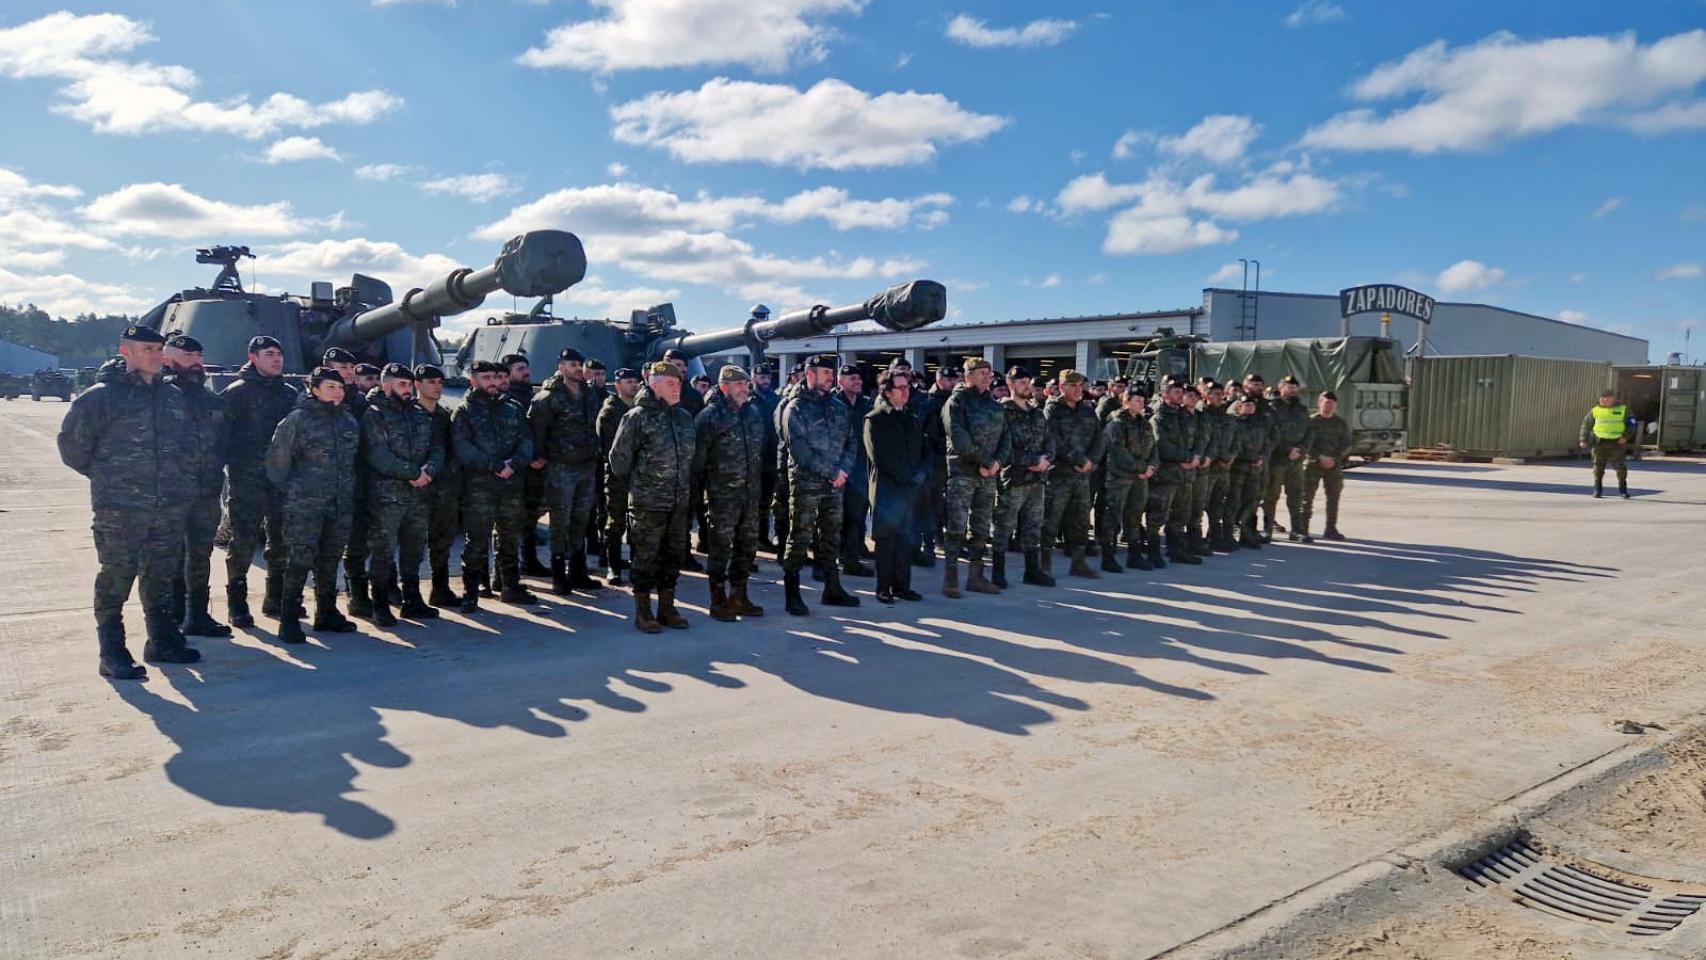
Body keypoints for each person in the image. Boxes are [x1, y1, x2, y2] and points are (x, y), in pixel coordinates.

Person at [58, 324, 198, 678]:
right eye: (147, 349)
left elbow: (184, 448)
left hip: (167, 504)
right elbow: (73, 449)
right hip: (120, 508)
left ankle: (162, 640)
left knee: (160, 575)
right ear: (126, 352)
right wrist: (111, 478)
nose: (155, 355)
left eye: (158, 349)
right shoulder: (101, 397)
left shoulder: (172, 396)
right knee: (116, 577)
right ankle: (112, 650)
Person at [265, 367, 362, 644]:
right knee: (298, 560)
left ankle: (327, 612)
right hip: (305, 504)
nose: (338, 392)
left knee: (330, 558)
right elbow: (276, 463)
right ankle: (289, 618)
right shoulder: (297, 420)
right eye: (331, 386)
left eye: (341, 387)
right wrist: (296, 492)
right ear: (314, 389)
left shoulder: (348, 422)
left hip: (339, 503)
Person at [608, 362, 697, 633]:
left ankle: (667, 608)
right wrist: (644, 482)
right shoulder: (636, 416)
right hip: (648, 504)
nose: (677, 388)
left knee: (673, 556)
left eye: (679, 383)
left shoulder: (683, 417)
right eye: (671, 383)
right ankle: (643, 612)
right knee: (645, 558)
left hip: (678, 502)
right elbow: (618, 461)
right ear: (654, 384)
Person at [221, 335, 298, 626]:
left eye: (279, 353)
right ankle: (237, 603)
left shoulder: (289, 394)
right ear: (252, 357)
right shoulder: (237, 393)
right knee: (243, 540)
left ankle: (274, 598)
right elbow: (222, 435)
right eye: (269, 353)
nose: (277, 358)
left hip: (281, 480)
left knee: (280, 541)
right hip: (247, 479)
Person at [780, 354, 861, 615]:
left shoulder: (838, 406)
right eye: (824, 373)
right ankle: (792, 594)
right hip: (806, 483)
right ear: (810, 375)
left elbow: (851, 442)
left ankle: (832, 589)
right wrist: (831, 472)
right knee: (800, 537)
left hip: (835, 484)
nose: (829, 377)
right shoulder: (796, 407)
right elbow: (800, 451)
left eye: (830, 373)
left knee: (831, 537)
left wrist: (843, 472)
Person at [362, 363, 443, 626]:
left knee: (413, 549)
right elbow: (378, 455)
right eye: (402, 385)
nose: (408, 390)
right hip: (387, 496)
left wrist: (429, 471)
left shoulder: (420, 415)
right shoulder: (374, 415)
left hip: (418, 495)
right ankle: (381, 604)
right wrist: (412, 473)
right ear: (386, 387)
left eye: (410, 385)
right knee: (383, 551)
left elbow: (437, 448)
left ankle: (412, 599)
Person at [162, 333, 232, 638]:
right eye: (188, 356)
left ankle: (198, 615)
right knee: (168, 556)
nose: (196, 363)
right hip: (169, 493)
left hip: (206, 491)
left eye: (199, 357)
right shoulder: (158, 396)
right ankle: (171, 616)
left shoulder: (211, 399)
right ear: (168, 359)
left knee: (200, 554)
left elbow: (226, 441)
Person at [453, 359, 536, 613]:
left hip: (511, 483)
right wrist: (495, 465)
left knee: (509, 535)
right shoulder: (464, 412)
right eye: (485, 378)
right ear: (473, 381)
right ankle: (471, 591)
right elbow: (463, 448)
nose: (492, 383)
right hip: (480, 485)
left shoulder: (512, 408)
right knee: (477, 539)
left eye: (494, 377)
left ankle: (509, 585)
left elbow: (526, 440)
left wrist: (515, 463)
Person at [694, 365, 767, 621]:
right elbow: (698, 462)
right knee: (720, 548)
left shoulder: (753, 414)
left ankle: (739, 595)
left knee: (746, 547)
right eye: (738, 384)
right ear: (724, 387)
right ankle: (717, 600)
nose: (744, 389)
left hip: (750, 493)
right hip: (721, 496)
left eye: (746, 384)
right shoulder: (710, 416)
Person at [529, 347, 604, 596]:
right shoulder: (548, 398)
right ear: (561, 368)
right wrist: (539, 457)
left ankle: (579, 571)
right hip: (560, 467)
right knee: (559, 522)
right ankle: (559, 574)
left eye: (579, 365)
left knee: (581, 520)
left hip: (586, 465)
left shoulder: (590, 394)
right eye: (571, 365)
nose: (577, 369)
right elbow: (537, 430)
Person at [941, 357, 1010, 597]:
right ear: (967, 375)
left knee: (981, 527)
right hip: (963, 473)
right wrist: (986, 462)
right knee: (956, 527)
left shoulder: (995, 405)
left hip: (988, 476)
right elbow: (960, 440)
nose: (985, 377)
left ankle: (976, 577)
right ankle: (951, 579)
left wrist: (997, 464)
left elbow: (1006, 439)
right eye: (980, 373)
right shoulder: (956, 402)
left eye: (988, 373)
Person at [864, 368, 929, 603]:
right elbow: (879, 457)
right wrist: (907, 477)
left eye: (907, 387)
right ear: (888, 392)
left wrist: (920, 474)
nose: (906, 392)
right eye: (900, 388)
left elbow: (925, 451)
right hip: (887, 489)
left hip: (910, 489)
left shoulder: (911, 419)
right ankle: (884, 587)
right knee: (886, 540)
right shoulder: (875, 420)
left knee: (906, 539)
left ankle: (902, 586)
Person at [322, 348, 376, 615]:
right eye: (341, 368)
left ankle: (357, 595)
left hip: (358, 481)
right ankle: (324, 604)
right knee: (325, 547)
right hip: (323, 487)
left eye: (349, 368)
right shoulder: (313, 404)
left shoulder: (360, 402)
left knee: (359, 540)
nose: (348, 373)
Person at [993, 367, 1055, 587]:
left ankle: (1032, 570)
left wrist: (1047, 458)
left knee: (1033, 525)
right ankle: (998, 572)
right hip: (1014, 478)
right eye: (1021, 382)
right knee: (1003, 526)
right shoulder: (1002, 412)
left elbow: (1049, 439)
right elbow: (1002, 446)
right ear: (1010, 384)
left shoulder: (1036, 412)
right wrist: (1032, 461)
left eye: (1028, 382)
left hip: (1037, 479)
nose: (1026, 386)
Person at [1042, 370, 1103, 580]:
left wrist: (1091, 462)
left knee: (1080, 521)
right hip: (1059, 475)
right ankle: (1044, 565)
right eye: (1073, 386)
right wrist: (1078, 460)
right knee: (1051, 521)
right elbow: (1053, 440)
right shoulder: (1052, 410)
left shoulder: (1087, 411)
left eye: (1080, 386)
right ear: (1062, 387)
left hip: (1082, 476)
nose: (1078, 390)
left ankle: (1078, 562)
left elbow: (1099, 438)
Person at [414, 364, 462, 608]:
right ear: (417, 385)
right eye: (431, 382)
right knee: (412, 544)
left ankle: (440, 588)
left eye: (439, 382)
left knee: (442, 540)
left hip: (444, 487)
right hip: (416, 487)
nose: (437, 386)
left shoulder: (444, 415)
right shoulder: (410, 414)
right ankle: (408, 594)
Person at [501, 353, 550, 578]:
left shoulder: (532, 397)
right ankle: (505, 572)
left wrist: (542, 456)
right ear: (509, 373)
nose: (526, 372)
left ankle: (529, 560)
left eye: (526, 368)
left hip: (535, 468)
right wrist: (528, 458)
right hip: (515, 468)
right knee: (509, 521)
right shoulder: (506, 400)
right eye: (520, 369)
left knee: (530, 516)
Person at [1098, 389, 1158, 571]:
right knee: (1113, 515)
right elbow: (1118, 452)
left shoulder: (1145, 424)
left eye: (1143, 401)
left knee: (1134, 516)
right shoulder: (1116, 423)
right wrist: (1141, 468)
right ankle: (1107, 556)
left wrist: (1151, 467)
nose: (1141, 404)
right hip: (1120, 477)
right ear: (1127, 402)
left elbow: (1154, 448)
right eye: (1137, 400)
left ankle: (1134, 554)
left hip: (1140, 478)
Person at [597, 367, 642, 586]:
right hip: (618, 474)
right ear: (618, 386)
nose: (633, 385)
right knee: (615, 521)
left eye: (635, 381)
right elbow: (608, 447)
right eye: (628, 382)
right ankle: (613, 566)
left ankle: (635, 562)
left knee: (637, 521)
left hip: (640, 475)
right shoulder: (610, 411)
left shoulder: (641, 408)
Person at [1152, 377, 1201, 565]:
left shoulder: (1185, 415)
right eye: (1175, 391)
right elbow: (1162, 447)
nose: (1180, 394)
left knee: (1181, 515)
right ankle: (1154, 551)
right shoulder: (1160, 416)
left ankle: (1177, 550)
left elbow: (1197, 439)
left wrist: (1195, 457)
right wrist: (1187, 458)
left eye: (1181, 391)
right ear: (1164, 394)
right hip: (1166, 475)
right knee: (1158, 516)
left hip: (1184, 475)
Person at [914, 365, 959, 566]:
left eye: (954, 380)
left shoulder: (955, 401)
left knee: (946, 505)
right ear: (939, 380)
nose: (952, 383)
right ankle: (928, 545)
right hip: (934, 459)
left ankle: (946, 541)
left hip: (950, 459)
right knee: (930, 505)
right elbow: (921, 431)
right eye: (948, 380)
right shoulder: (928, 402)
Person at [836, 364, 874, 577]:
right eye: (852, 378)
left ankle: (851, 558)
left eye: (859, 378)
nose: (857, 381)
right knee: (833, 518)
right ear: (841, 381)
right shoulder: (833, 403)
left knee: (856, 517)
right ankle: (833, 559)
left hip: (859, 469)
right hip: (837, 469)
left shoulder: (865, 405)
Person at [1264, 374, 1313, 542]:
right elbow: (1269, 435)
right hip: (1277, 460)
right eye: (1289, 387)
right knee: (1271, 496)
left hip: (1296, 461)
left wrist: (1300, 449)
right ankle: (1267, 529)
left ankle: (1297, 531)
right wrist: (1287, 450)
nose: (1292, 390)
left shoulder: (1302, 410)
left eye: (1294, 388)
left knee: (1296, 496)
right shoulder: (1271, 409)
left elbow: (1309, 432)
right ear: (1281, 388)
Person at [1191, 382, 1236, 555]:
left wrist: (1231, 457)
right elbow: (1203, 440)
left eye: (1220, 393)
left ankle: (1215, 537)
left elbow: (1235, 439)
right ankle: (1196, 538)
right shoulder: (1202, 415)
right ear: (1206, 395)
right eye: (1214, 394)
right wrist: (1211, 457)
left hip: (1223, 468)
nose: (1219, 397)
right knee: (1200, 504)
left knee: (1218, 504)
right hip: (1207, 468)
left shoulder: (1227, 416)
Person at [1302, 391, 1351, 540]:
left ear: (1335, 405)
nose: (1329, 406)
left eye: (1332, 404)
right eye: (1326, 403)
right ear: (1319, 403)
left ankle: (1331, 529)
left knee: (1333, 498)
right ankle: (1303, 529)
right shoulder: (1311, 422)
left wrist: (1334, 459)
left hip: (1333, 466)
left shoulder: (1340, 423)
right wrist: (1320, 457)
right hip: (1312, 465)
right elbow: (1306, 444)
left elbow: (1347, 444)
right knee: (1306, 498)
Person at [1227, 395, 1268, 549]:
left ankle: (1246, 533)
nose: (1249, 407)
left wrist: (1262, 457)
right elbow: (1234, 445)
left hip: (1254, 470)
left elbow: (1267, 444)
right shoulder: (1235, 423)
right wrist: (1244, 458)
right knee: (1234, 502)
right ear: (1239, 406)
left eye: (1252, 405)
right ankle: (1229, 532)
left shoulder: (1259, 424)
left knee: (1251, 502)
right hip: (1238, 468)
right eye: (1246, 405)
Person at [750, 359, 782, 554]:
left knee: (767, 500)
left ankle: (763, 537)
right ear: (753, 378)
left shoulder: (774, 399)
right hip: (754, 458)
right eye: (762, 376)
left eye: (768, 376)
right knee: (754, 501)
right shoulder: (749, 398)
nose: (765, 380)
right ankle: (754, 539)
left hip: (771, 457)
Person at [1580, 388, 1632, 499]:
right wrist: (1583, 439)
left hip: (1616, 444)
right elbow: (1586, 425)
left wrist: (1625, 437)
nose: (1602, 400)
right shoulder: (1595, 410)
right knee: (1598, 469)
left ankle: (1623, 490)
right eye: (1601, 398)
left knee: (1620, 468)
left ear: (1612, 398)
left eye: (1605, 398)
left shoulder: (1624, 409)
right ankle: (1597, 490)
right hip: (1599, 444)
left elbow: (1632, 425)